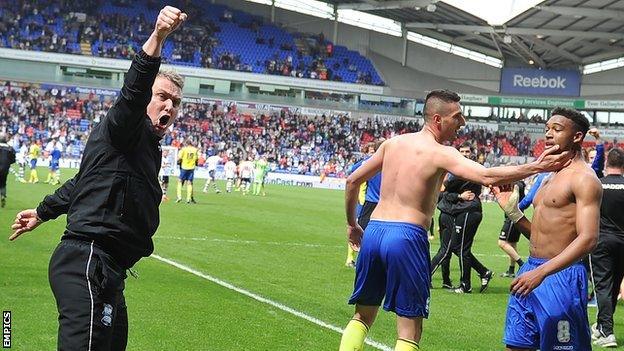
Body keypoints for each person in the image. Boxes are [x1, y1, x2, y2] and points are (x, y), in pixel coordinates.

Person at [9, 7, 187, 350]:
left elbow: (83, 182)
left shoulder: (144, 147)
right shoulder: (125, 127)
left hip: (108, 269)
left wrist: (42, 212)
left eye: (176, 102)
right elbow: (134, 92)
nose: (169, 107)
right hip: (88, 261)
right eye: (162, 97)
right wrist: (159, 36)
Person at [339, 90, 571, 351]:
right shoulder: (441, 152)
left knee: (362, 316)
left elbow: (352, 181)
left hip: (375, 230)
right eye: (457, 117)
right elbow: (486, 176)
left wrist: (352, 224)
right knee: (409, 327)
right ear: (438, 119)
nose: (463, 123)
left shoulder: (392, 144)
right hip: (406, 235)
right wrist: (536, 166)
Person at [493, 107, 602, 351]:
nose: (549, 134)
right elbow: (542, 234)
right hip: (530, 270)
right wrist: (514, 214)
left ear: (577, 137)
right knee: (516, 346)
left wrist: (542, 273)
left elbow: (588, 239)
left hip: (559, 277)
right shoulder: (547, 176)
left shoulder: (584, 178)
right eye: (547, 129)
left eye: (557, 129)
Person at [430, 142, 492, 294]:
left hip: (466, 210)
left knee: (458, 248)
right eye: (462, 151)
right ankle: (482, 272)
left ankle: (466, 285)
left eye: (467, 151)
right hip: (457, 211)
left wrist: (451, 190)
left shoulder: (466, 169)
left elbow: (445, 190)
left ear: (471, 153)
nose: (464, 154)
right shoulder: (458, 168)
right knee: (456, 248)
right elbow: (444, 192)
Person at [590, 148, 624, 348]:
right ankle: (602, 325)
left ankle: (607, 332)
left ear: (606, 164)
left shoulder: (598, 185)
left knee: (603, 285)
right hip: (623, 241)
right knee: (614, 285)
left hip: (602, 241)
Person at [497, 172, 549, 278]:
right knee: (512, 243)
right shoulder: (520, 183)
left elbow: (527, 200)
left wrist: (514, 211)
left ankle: (521, 264)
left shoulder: (516, 184)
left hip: (514, 216)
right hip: (520, 215)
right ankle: (511, 270)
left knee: (502, 243)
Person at [345, 141, 382, 268]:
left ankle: (359, 261)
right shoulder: (392, 161)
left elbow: (351, 172)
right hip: (384, 204)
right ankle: (353, 259)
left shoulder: (368, 162)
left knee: (360, 232)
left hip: (369, 203)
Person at [176, 138, 198, 203]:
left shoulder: (183, 149)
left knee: (180, 181)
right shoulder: (195, 150)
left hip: (184, 167)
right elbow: (197, 158)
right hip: (191, 167)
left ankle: (179, 197)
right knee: (189, 183)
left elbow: (179, 158)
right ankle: (188, 199)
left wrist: (178, 163)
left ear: (186, 143)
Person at [0, 133, 16, 208]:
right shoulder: (10, 148)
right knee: (3, 183)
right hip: (5, 168)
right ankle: (3, 196)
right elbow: (13, 160)